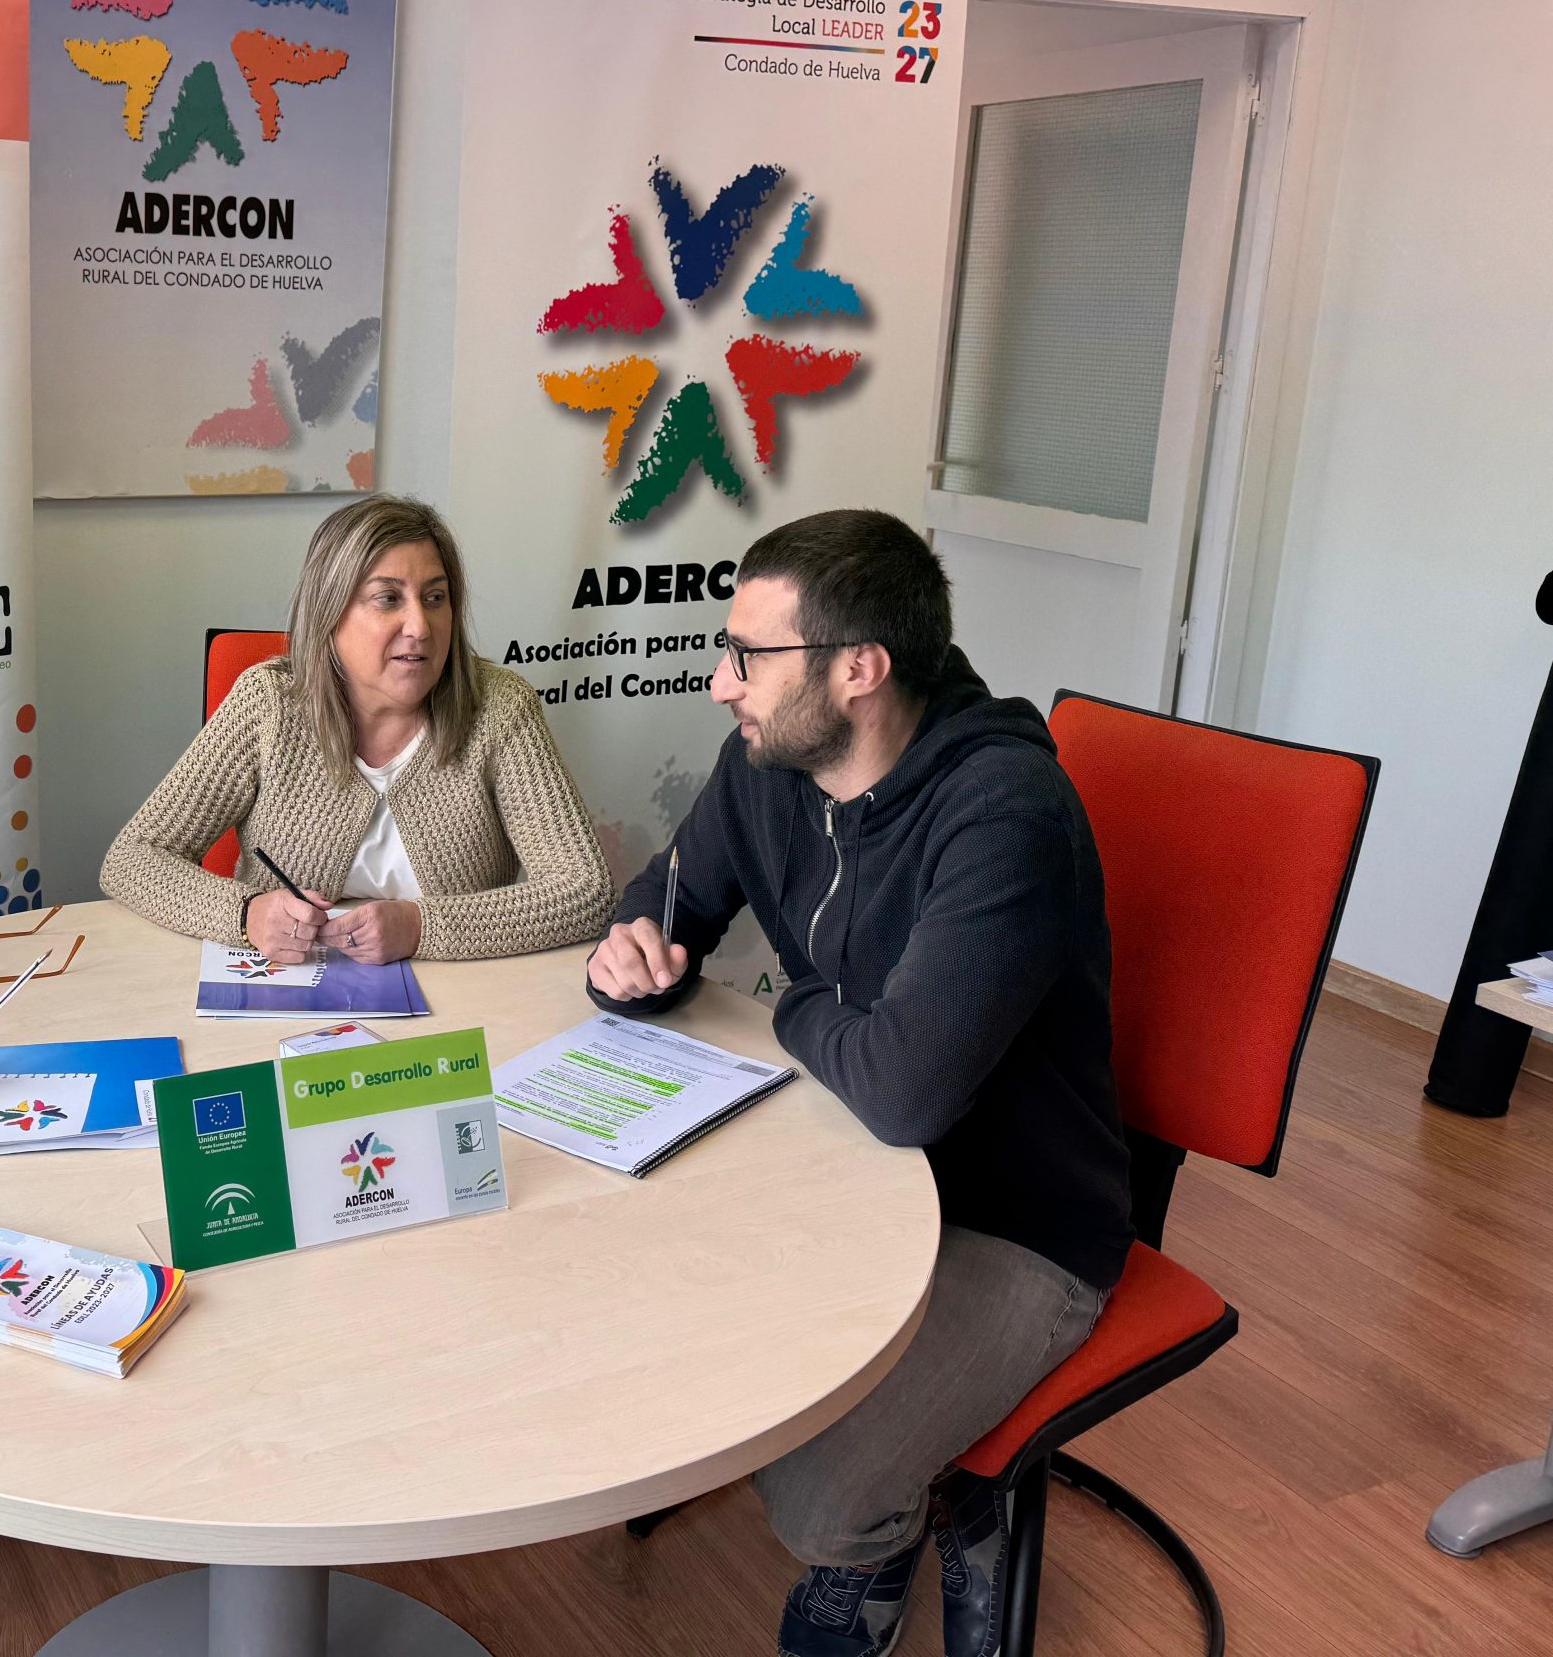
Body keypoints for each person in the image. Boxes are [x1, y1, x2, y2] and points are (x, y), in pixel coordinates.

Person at [583, 508, 1131, 1657]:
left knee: (814, 1499)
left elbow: (902, 1091)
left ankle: (943, 1505)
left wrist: (793, 1003)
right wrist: (630, 951)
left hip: (1012, 1222)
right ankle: (923, 1467)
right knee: (638, 1334)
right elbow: (670, 897)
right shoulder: (771, 763)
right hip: (837, 1162)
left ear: (857, 671)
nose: (720, 684)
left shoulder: (1004, 814)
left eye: (747, 656)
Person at [102, 493, 611, 964]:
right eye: (388, 599)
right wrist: (246, 914)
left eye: (435, 598)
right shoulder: (269, 704)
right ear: (330, 612)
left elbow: (586, 890)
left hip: (461, 992)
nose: (420, 626)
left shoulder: (500, 707)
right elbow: (133, 859)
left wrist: (422, 927)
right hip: (290, 985)